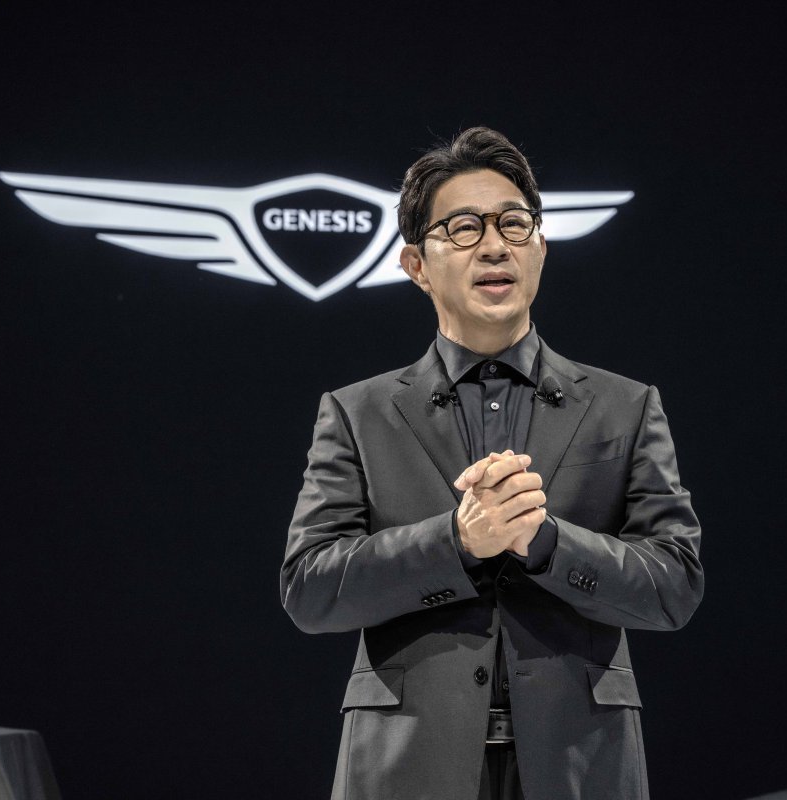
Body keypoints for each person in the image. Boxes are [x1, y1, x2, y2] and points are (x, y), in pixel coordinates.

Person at [281, 127, 703, 800]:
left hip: (580, 764)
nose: (495, 245)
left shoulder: (625, 406)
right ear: (416, 265)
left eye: (514, 223)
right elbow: (310, 589)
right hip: (406, 765)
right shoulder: (357, 413)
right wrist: (455, 542)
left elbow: (673, 587)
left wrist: (548, 542)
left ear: (540, 247)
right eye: (464, 228)